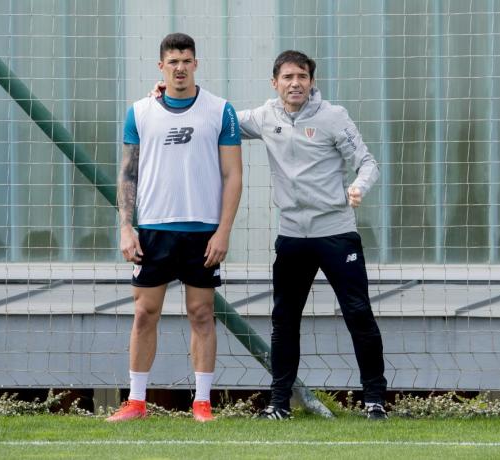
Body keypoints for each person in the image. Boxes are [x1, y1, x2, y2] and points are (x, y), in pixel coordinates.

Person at [153, 50, 387, 420]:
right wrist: (169, 96)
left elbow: (368, 162)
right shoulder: (264, 117)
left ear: (312, 82)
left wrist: (358, 186)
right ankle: (279, 404)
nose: (296, 84)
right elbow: (215, 117)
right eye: (288, 78)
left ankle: (375, 400)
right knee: (284, 319)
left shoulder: (333, 117)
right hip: (292, 237)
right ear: (275, 82)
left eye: (303, 77)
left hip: (337, 233)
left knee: (358, 314)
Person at [107, 33, 242, 423]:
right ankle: (136, 402)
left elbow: (233, 175)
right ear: (161, 66)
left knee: (201, 313)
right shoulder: (139, 111)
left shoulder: (220, 111)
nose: (179, 67)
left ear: (196, 64)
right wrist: (126, 228)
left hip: (202, 232)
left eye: (186, 60)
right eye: (172, 61)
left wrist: (224, 231)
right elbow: (127, 174)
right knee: (144, 313)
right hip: (152, 231)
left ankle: (202, 403)